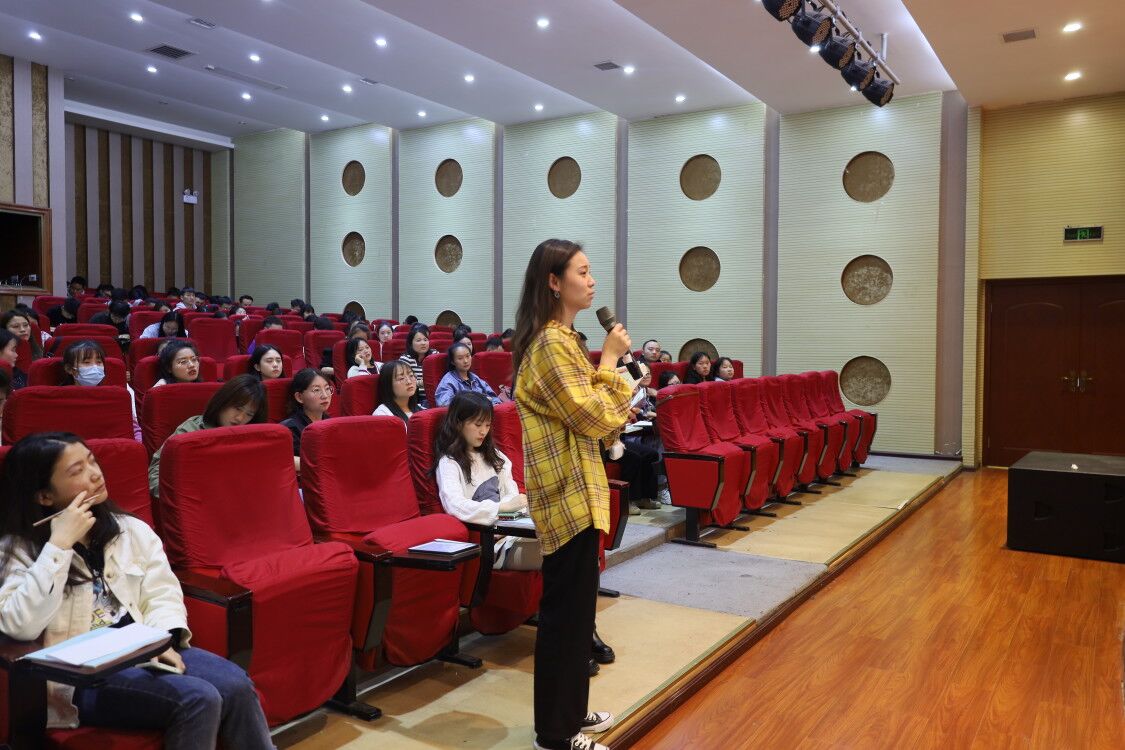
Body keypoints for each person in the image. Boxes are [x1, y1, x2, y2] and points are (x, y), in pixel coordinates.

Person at [0, 432, 275, 748]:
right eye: (77, 471)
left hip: (142, 646)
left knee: (236, 685)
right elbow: (21, 625)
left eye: (92, 461)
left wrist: (162, 639)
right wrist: (59, 545)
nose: (95, 474)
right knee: (198, 698)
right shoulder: (16, 550)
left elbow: (162, 592)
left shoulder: (128, 529)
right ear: (44, 496)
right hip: (79, 678)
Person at [512, 239, 632, 750]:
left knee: (579, 616)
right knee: (564, 618)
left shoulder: (564, 340)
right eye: (582, 272)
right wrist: (611, 360)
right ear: (554, 282)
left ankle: (571, 714)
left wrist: (611, 381)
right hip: (565, 496)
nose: (592, 280)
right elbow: (595, 416)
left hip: (580, 491)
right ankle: (555, 735)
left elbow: (600, 424)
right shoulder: (549, 345)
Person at [432, 392, 535, 567]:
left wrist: (508, 511)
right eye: (478, 424)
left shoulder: (495, 456)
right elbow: (454, 505)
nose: (483, 431)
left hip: (511, 533)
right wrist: (500, 508)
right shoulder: (449, 462)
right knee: (560, 553)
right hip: (488, 543)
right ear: (458, 423)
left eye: (487, 425)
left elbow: (511, 495)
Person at [148, 375, 267, 496]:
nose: (240, 418)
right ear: (223, 401)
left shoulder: (253, 440)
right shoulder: (192, 429)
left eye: (249, 414)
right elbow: (156, 473)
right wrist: (181, 497)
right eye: (237, 408)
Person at [60, 340, 142, 442]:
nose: (95, 367)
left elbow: (134, 430)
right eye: (86, 362)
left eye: (99, 362)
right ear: (69, 369)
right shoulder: (60, 399)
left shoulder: (113, 397)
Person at [279, 369, 332, 472]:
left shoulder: (332, 423)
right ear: (299, 397)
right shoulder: (290, 428)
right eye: (316, 390)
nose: (325, 395)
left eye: (327, 388)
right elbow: (285, 460)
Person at [434, 343, 499, 406]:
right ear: (452, 361)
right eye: (460, 358)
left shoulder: (474, 377)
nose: (466, 361)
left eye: (468, 356)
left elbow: (494, 398)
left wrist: (494, 404)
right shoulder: (449, 381)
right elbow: (444, 403)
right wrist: (479, 401)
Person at [373, 360, 422, 424]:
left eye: (411, 375)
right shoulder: (382, 414)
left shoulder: (421, 409)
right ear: (388, 385)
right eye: (401, 378)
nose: (409, 382)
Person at [399, 323, 437, 406]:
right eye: (418, 340)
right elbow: (404, 382)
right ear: (411, 343)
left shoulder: (434, 355)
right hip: (415, 398)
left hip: (435, 395)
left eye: (425, 340)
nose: (423, 343)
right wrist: (425, 382)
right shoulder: (405, 359)